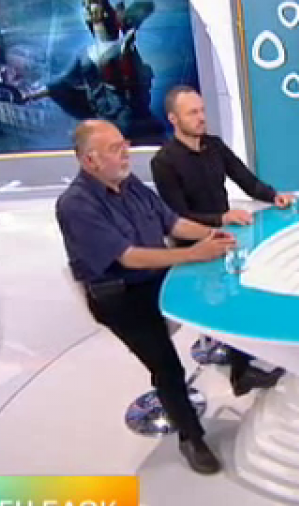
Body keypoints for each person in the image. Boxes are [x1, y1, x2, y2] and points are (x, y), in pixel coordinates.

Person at [56, 119, 235, 475]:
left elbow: (173, 223)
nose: (126, 152)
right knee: (167, 365)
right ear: (90, 160)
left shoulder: (131, 184)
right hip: (120, 296)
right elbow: (129, 257)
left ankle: (243, 372)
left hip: (157, 275)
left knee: (227, 292)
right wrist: (192, 254)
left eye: (124, 143)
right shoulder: (75, 205)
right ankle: (191, 438)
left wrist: (216, 234)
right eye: (115, 148)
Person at [151, 85, 291, 393]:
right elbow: (177, 218)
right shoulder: (164, 162)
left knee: (256, 276)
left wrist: (274, 196)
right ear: (174, 119)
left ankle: (241, 347)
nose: (202, 117)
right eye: (193, 113)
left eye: (202, 110)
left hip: (226, 235)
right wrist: (221, 219)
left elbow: (245, 179)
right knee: (236, 295)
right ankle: (241, 375)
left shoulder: (213, 146)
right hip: (195, 244)